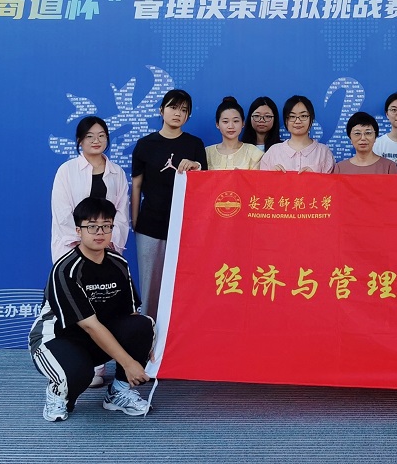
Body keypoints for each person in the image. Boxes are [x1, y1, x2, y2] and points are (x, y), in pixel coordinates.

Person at [30, 197, 154, 422]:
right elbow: (90, 325)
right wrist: (129, 362)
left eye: (106, 226)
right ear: (79, 230)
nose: (100, 232)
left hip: (94, 337)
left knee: (144, 325)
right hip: (57, 339)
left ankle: (118, 393)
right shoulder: (66, 270)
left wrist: (145, 344)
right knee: (79, 374)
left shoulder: (118, 264)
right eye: (92, 226)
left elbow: (130, 314)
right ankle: (58, 392)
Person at [50, 115, 131, 388]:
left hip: (106, 249)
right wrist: (82, 242)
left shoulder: (117, 172)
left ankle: (103, 362)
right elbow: (62, 212)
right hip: (74, 248)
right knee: (79, 306)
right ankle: (82, 363)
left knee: (106, 303)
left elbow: (121, 213)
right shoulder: (67, 170)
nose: (96, 141)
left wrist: (108, 242)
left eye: (101, 136)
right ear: (79, 141)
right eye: (90, 136)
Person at [131, 89, 207, 317]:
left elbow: (204, 184)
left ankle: (176, 334)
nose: (178, 113)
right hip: (150, 225)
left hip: (185, 228)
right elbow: (136, 186)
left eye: (184, 110)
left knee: (182, 284)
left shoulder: (195, 144)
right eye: (173, 107)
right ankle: (149, 331)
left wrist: (195, 166)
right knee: (150, 287)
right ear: (161, 110)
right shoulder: (145, 144)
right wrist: (135, 221)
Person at [259, 95, 334, 173]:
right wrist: (271, 176)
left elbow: (333, 180)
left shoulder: (324, 152)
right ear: (286, 120)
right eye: (292, 116)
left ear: (311, 119)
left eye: (303, 116)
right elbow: (261, 180)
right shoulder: (273, 152)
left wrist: (315, 177)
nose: (297, 121)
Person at [206, 96, 264, 170]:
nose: (231, 126)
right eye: (225, 121)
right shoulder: (207, 153)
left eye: (236, 121)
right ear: (217, 124)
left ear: (243, 123)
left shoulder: (253, 152)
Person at [333, 112, 397, 174]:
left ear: (375, 137)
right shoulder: (340, 168)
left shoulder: (389, 167)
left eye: (368, 133)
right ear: (350, 137)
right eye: (357, 133)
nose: (363, 138)